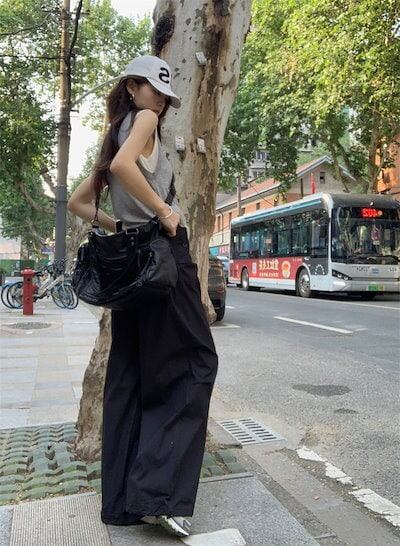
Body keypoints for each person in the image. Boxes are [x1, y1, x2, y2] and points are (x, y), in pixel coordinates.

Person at [67, 55, 219, 538]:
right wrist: (163, 213)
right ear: (132, 87)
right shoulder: (144, 121)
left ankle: (123, 503)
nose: (160, 101)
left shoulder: (116, 132)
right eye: (153, 90)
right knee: (195, 363)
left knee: (130, 374)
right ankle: (161, 497)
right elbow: (122, 168)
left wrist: (121, 225)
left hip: (133, 263)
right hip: (162, 252)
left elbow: (78, 202)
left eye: (164, 95)